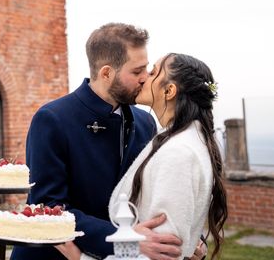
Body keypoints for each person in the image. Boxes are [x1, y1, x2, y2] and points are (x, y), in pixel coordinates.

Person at [11, 23, 189, 260]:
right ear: (106, 73)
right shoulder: (52, 119)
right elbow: (49, 207)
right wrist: (126, 238)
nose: (145, 78)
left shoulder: (145, 122)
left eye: (146, 69)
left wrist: (186, 237)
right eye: (137, 72)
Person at [58, 53, 228, 260]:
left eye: (153, 72)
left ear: (169, 90)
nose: (144, 77)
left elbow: (160, 252)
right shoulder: (186, 139)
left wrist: (82, 259)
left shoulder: (178, 152)